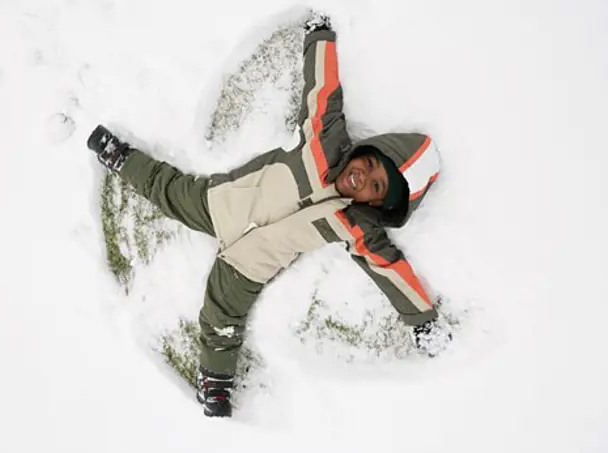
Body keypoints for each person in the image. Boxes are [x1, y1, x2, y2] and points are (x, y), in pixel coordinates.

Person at [86, 12, 451, 418]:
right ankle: (121, 157)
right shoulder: (324, 142)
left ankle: (216, 384)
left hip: (251, 265)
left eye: (376, 187)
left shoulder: (358, 226)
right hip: (222, 203)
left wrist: (423, 321)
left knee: (222, 317)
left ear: (379, 205)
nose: (363, 177)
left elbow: (390, 268)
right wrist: (320, 36)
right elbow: (323, 90)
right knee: (167, 190)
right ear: (373, 149)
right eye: (373, 165)